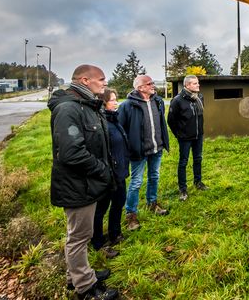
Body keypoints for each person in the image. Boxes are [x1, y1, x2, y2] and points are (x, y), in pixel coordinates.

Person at [48, 65, 119, 300]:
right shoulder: (69, 108)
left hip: (86, 183)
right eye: (101, 79)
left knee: (80, 235)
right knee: (78, 237)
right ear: (85, 80)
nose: (104, 84)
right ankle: (86, 288)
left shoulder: (85, 105)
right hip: (77, 185)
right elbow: (70, 153)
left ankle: (78, 275)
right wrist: (103, 170)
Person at [118, 75, 170, 231]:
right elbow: (121, 130)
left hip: (156, 148)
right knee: (136, 182)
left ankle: (152, 204)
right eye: (149, 83)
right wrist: (129, 148)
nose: (153, 85)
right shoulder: (127, 105)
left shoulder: (158, 101)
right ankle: (131, 215)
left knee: (154, 176)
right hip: (138, 152)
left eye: (153, 82)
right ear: (139, 87)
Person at [90, 88, 129, 258]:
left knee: (119, 202)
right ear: (104, 103)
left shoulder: (114, 119)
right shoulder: (100, 123)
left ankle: (115, 233)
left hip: (119, 172)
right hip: (106, 175)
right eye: (113, 100)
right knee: (101, 209)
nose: (116, 102)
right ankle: (98, 242)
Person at [167, 74, 207, 201]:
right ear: (187, 85)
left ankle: (198, 182)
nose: (198, 85)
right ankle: (183, 189)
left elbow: (200, 116)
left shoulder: (199, 97)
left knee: (198, 159)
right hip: (185, 137)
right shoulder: (177, 100)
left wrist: (200, 131)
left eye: (198, 83)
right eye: (195, 83)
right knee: (183, 162)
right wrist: (179, 134)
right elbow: (171, 120)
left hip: (198, 135)